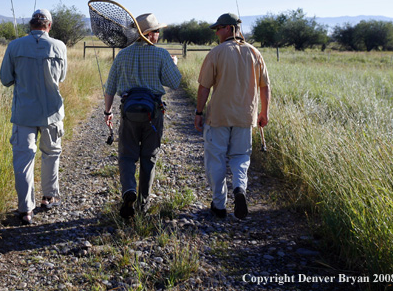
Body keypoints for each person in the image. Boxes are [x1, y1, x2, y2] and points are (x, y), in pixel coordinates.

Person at [104, 13, 182, 218]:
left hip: (129, 113)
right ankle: (143, 203)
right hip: (153, 115)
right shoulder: (162, 55)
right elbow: (174, 82)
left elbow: (110, 87)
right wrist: (173, 64)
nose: (158, 34)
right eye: (157, 31)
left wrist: (107, 111)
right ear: (148, 34)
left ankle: (129, 190)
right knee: (149, 157)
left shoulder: (122, 55)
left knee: (127, 155)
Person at [194, 12, 270, 219]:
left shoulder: (216, 53)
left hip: (218, 117)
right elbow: (265, 87)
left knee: (216, 159)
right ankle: (239, 189)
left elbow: (204, 88)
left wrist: (199, 112)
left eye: (218, 28)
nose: (216, 32)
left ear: (229, 28)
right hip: (246, 117)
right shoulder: (255, 53)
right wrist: (264, 112)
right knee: (240, 157)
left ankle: (219, 205)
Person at [0, 9, 67, 225]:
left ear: (31, 25)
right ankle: (48, 197)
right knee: (51, 154)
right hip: (52, 113)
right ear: (49, 26)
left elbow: (5, 79)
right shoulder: (60, 47)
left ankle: (25, 209)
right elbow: (62, 77)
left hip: (24, 115)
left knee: (23, 161)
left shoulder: (14, 46)